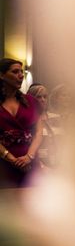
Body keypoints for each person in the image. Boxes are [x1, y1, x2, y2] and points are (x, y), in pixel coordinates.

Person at [0, 58, 43, 187]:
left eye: (22, 72)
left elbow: (39, 132)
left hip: (30, 161)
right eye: (15, 72)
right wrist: (12, 159)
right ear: (2, 75)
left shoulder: (32, 101)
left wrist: (29, 157)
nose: (20, 76)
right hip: (4, 164)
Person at [27, 83, 58, 168]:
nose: (43, 100)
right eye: (38, 97)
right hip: (39, 166)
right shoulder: (28, 121)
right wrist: (41, 166)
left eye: (45, 97)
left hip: (59, 165)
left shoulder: (56, 117)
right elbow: (26, 147)